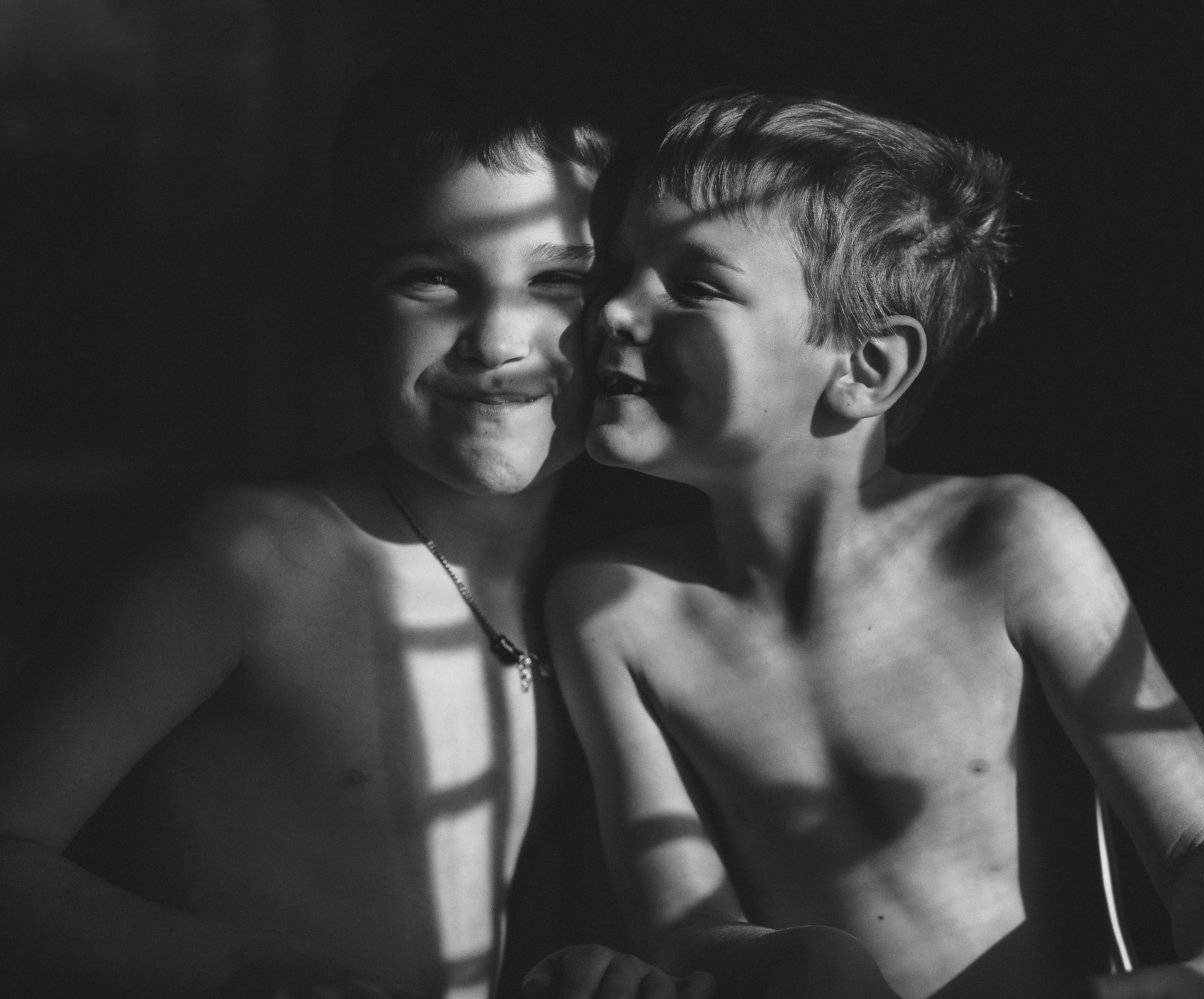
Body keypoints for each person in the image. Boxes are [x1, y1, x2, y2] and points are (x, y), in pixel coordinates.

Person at [534, 88, 1204, 999]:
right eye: (620, 269)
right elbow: (681, 923)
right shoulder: (611, 606)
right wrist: (803, 964)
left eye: (694, 283)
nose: (615, 310)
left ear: (869, 367)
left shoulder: (1009, 540)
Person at [0, 58, 707, 999]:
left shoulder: (617, 596)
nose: (498, 340)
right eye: (432, 278)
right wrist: (250, 972)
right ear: (347, 302)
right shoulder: (247, 561)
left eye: (559, 280)